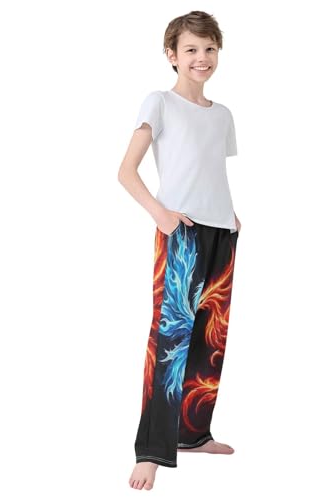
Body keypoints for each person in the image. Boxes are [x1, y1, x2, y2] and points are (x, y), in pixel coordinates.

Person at [117, 10, 241, 491]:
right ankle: (151, 451)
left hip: (221, 232)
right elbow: (126, 171)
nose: (201, 58)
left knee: (211, 338)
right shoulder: (160, 102)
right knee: (170, 339)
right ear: (172, 55)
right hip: (181, 233)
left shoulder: (222, 114)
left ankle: (193, 433)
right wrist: (162, 215)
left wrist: (231, 215)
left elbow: (208, 170)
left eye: (209, 49)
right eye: (191, 49)